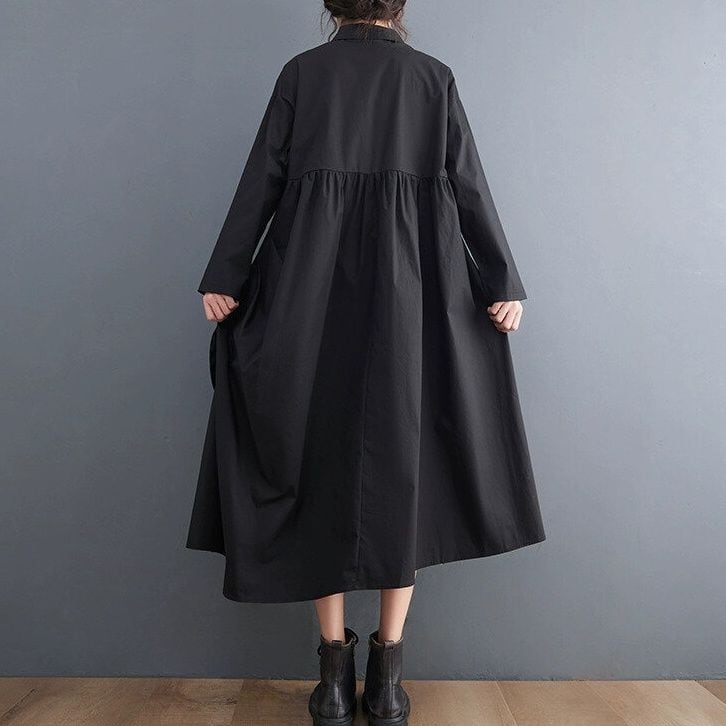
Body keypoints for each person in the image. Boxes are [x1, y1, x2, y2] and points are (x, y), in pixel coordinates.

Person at [186, 2, 546, 724]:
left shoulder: (302, 74)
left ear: (332, 7)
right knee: (401, 470)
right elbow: (468, 184)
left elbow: (263, 179)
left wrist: (226, 273)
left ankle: (331, 679)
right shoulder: (432, 79)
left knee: (313, 461)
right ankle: (387, 678)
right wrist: (501, 281)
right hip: (412, 295)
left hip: (308, 292)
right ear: (399, 8)